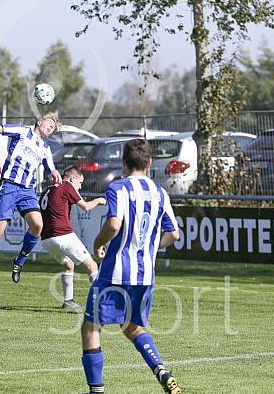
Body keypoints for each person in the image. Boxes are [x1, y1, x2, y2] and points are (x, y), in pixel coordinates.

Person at [81, 139, 181, 394]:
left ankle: (96, 391)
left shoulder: (118, 188)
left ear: (123, 162)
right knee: (132, 326)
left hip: (115, 273)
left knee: (91, 327)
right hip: (145, 275)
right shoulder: (160, 192)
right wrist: (147, 246)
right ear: (149, 163)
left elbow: (114, 225)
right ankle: (161, 371)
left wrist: (97, 243)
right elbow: (174, 234)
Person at [0, 112, 63, 290]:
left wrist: (54, 174)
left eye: (52, 128)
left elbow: (51, 169)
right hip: (9, 186)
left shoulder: (45, 149)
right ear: (39, 122)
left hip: (27, 191)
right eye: (49, 124)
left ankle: (19, 261)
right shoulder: (22, 132)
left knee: (37, 225)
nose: (50, 128)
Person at [39, 165, 106, 309]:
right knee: (92, 266)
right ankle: (102, 302)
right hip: (62, 235)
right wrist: (99, 200)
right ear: (73, 178)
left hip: (47, 239)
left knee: (69, 265)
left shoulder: (47, 190)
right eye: (80, 183)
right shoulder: (67, 185)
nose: (80, 188)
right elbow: (86, 206)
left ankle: (68, 301)